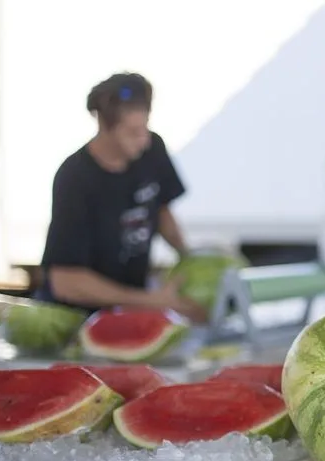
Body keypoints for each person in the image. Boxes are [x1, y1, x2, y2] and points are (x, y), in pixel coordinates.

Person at [38, 72, 206, 322]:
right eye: (133, 132)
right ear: (105, 127)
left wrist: (192, 262)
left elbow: (161, 211)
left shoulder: (152, 150)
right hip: (75, 320)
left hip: (129, 312)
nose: (144, 140)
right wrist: (152, 300)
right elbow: (66, 281)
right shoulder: (74, 177)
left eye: (145, 127)